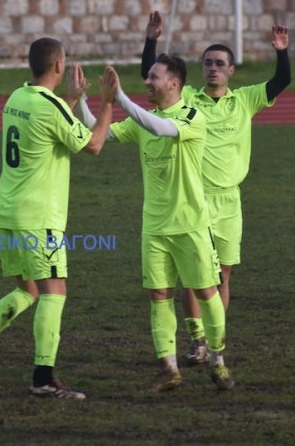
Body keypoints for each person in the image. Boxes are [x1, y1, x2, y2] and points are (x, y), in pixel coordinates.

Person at [0, 38, 117, 400]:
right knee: (54, 292)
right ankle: (43, 378)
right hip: (38, 216)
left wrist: (71, 100)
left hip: (8, 212)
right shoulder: (50, 108)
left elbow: (49, 125)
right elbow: (93, 145)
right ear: (59, 66)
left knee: (27, 290)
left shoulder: (17, 98)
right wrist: (106, 103)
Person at [140, 11, 291, 364]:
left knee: (222, 275)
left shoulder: (245, 100)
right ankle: (198, 342)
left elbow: (281, 80)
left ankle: (214, 341)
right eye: (208, 63)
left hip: (230, 202)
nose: (213, 68)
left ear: (231, 71)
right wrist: (152, 40)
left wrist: (281, 50)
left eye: (220, 64)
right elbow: (152, 77)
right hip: (194, 200)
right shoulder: (189, 98)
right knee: (197, 278)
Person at [77, 56, 233, 392]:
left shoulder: (192, 116)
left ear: (173, 83)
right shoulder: (144, 120)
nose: (147, 81)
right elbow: (98, 131)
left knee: (207, 293)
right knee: (159, 295)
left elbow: (160, 128)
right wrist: (82, 100)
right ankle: (169, 369)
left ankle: (218, 360)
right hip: (155, 227)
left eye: (153, 76)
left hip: (191, 225)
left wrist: (120, 99)